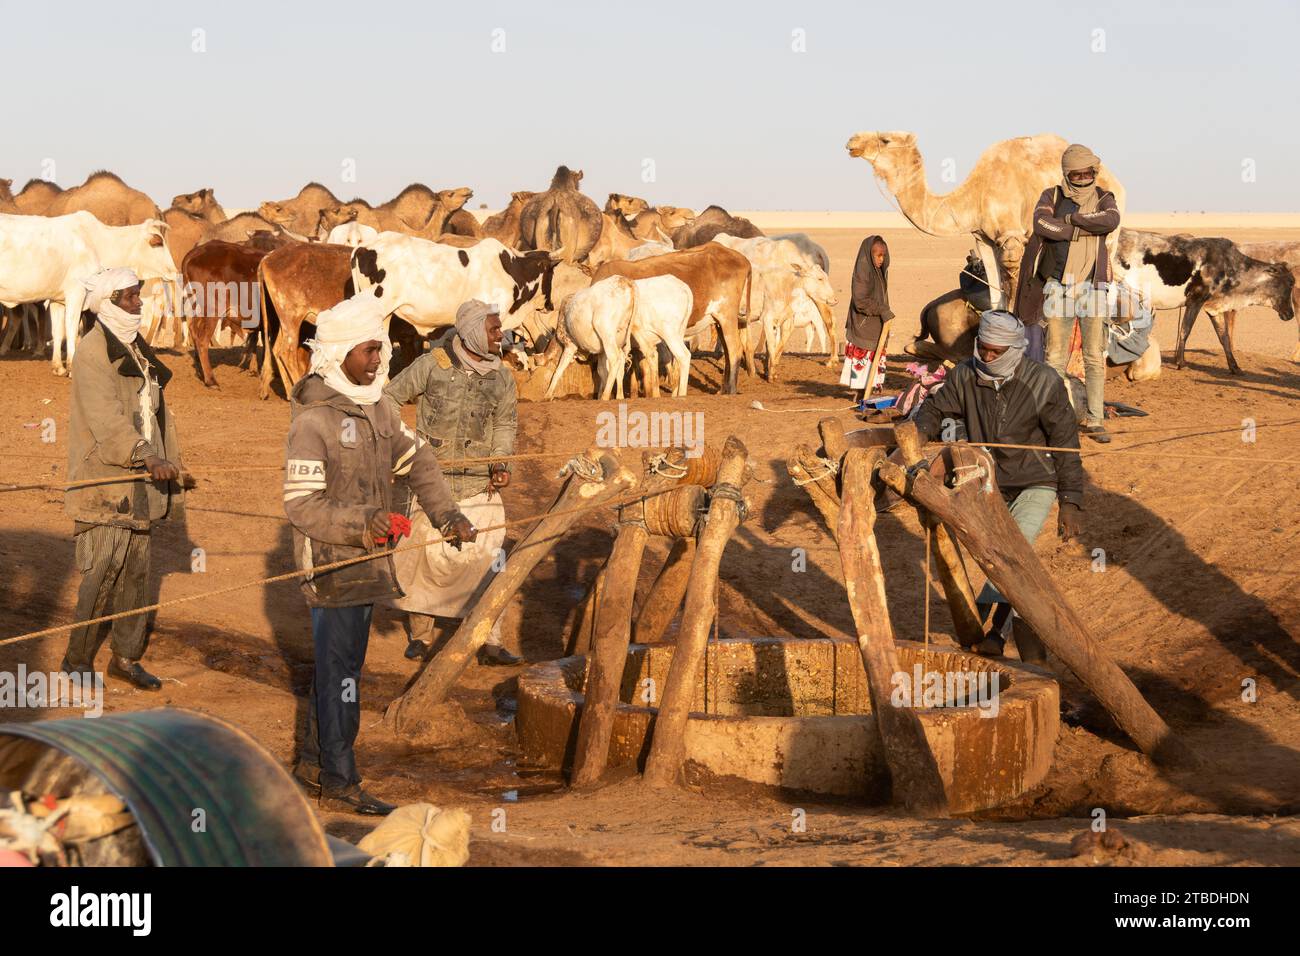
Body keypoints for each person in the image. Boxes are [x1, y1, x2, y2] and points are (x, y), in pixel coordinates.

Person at [283, 292, 475, 815]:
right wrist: (364, 523)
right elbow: (302, 506)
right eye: (368, 351)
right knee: (341, 673)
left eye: (379, 350)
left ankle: (312, 763)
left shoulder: (379, 405)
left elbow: (417, 459)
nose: (378, 360)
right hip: (332, 564)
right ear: (339, 352)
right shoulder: (314, 421)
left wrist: (447, 514)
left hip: (369, 561)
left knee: (340, 668)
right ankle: (340, 781)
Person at [912, 310, 1085, 662]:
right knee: (999, 559)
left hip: (1035, 481)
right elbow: (937, 409)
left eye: (995, 352)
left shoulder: (1043, 382)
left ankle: (991, 630)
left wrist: (1071, 500)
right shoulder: (963, 375)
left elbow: (1066, 443)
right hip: (987, 480)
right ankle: (1002, 633)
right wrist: (918, 431)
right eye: (983, 349)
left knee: (1013, 554)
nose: (987, 358)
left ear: (1013, 349)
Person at [60, 268, 185, 691]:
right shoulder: (93, 352)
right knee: (101, 576)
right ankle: (76, 660)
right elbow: (106, 420)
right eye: (129, 297)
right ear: (108, 302)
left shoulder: (135, 348)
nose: (138, 303)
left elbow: (154, 416)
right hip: (104, 485)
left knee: (136, 575)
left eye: (137, 295)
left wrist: (168, 464)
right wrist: (146, 455)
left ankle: (126, 659)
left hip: (140, 485)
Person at [384, 300, 522, 666]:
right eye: (494, 329)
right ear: (475, 330)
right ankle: (421, 636)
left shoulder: (502, 376)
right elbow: (389, 399)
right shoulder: (431, 365)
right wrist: (405, 446)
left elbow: (505, 423)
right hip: (432, 484)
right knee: (421, 555)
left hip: (480, 483)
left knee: (490, 556)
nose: (501, 336)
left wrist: (500, 460)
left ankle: (489, 640)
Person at [1014, 143, 1121, 443]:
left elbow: (1110, 221)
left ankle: (1095, 420)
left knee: (1094, 357)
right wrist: (1082, 229)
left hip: (1093, 287)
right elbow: (1041, 224)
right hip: (1059, 286)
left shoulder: (1104, 198)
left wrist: (1071, 221)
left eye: (1089, 171)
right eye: (1078, 172)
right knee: (1055, 357)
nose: (1084, 177)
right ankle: (1050, 419)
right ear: (1067, 173)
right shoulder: (1052, 196)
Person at [842, 235, 893, 402]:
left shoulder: (878, 271)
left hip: (874, 324)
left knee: (872, 365)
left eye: (883, 255)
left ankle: (867, 393)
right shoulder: (863, 272)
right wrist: (883, 310)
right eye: (878, 255)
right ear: (869, 255)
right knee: (863, 365)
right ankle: (860, 395)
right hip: (863, 325)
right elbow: (860, 301)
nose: (881, 259)